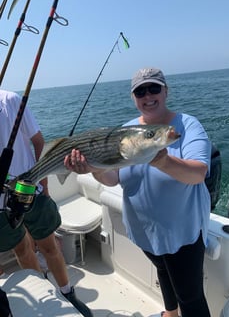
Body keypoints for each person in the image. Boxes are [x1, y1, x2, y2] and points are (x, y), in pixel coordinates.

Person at [64, 68, 212, 317]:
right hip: (144, 230)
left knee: (191, 296)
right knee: (163, 270)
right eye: (140, 91)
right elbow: (112, 178)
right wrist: (93, 169)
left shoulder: (187, 125)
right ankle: (171, 313)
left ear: (166, 91)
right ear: (133, 97)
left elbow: (198, 174)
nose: (148, 95)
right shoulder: (126, 132)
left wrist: (164, 162)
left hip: (182, 232)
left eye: (154, 88)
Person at [0, 89, 92, 317]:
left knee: (49, 246)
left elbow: (39, 143)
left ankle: (67, 291)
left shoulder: (10, 100)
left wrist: (45, 186)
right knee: (22, 248)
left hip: (31, 190)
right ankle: (43, 291)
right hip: (1, 202)